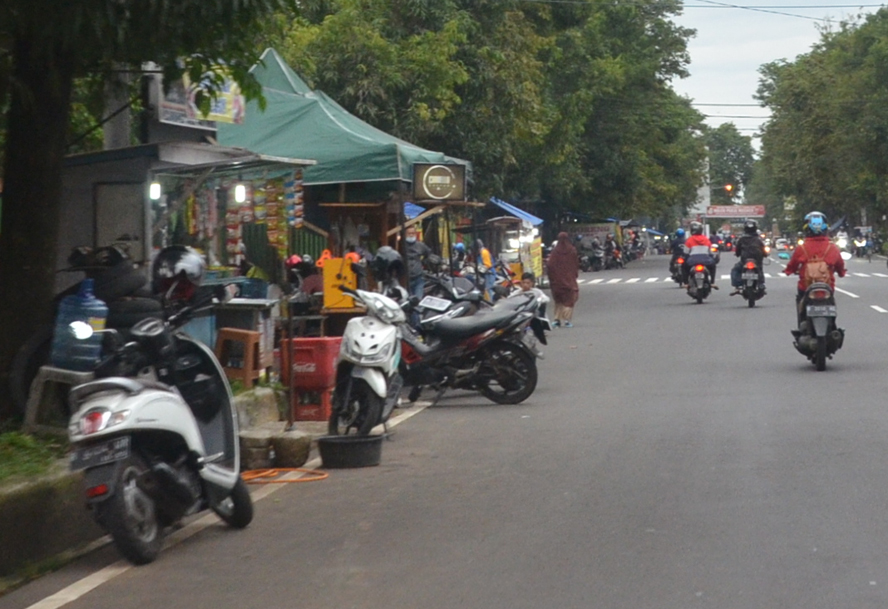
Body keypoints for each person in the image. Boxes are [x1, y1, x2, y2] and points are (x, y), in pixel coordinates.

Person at [784, 211, 846, 322]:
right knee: (831, 305)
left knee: (801, 303)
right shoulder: (832, 247)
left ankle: (802, 323)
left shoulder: (801, 248)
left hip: (806, 286)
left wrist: (788, 271)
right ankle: (832, 326)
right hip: (828, 286)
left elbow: (792, 265)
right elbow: (840, 265)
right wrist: (841, 273)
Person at [546, 231, 579, 327]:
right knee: (569, 300)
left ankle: (557, 319)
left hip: (557, 281)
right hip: (569, 280)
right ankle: (567, 320)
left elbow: (550, 265)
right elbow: (576, 264)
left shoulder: (555, 252)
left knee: (558, 300)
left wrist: (552, 277)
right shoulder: (572, 250)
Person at [730, 219, 767, 295]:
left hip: (745, 260)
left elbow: (737, 250)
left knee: (735, 270)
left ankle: (737, 285)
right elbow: (763, 249)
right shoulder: (758, 239)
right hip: (757, 260)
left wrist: (737, 254)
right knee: (759, 269)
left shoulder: (742, 239)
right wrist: (765, 254)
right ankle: (761, 284)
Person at [681, 221, 718, 288]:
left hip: (692, 260)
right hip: (706, 260)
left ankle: (686, 283)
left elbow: (686, 252)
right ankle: (712, 282)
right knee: (713, 266)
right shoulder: (706, 239)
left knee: (683, 267)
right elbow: (710, 252)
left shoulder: (689, 240)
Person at [404, 225, 432, 302]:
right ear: (405, 234)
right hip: (405, 279)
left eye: (413, 233)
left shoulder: (420, 245)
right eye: (409, 233)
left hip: (418, 278)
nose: (411, 235)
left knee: (418, 301)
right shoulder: (400, 245)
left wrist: (425, 261)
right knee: (408, 301)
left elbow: (429, 254)